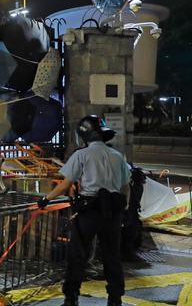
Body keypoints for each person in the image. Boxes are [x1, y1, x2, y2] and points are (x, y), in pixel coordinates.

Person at [38, 115, 131, 306]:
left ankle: (71, 298)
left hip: (89, 210)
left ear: (84, 136)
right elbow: (125, 187)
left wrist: (46, 199)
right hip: (113, 212)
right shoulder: (118, 156)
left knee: (77, 254)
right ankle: (115, 298)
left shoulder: (82, 155)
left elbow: (65, 184)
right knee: (112, 255)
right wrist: (125, 207)